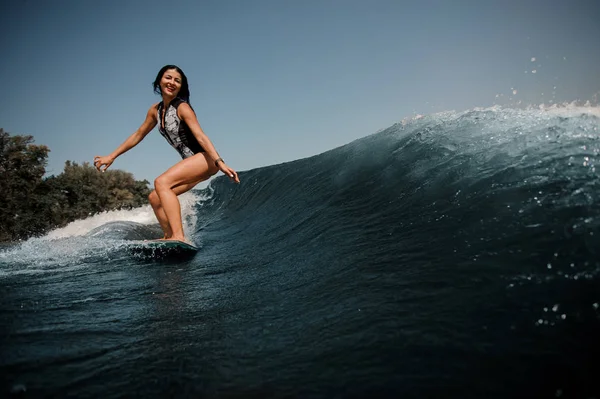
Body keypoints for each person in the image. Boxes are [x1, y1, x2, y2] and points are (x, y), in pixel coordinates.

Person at [94, 65, 240, 243]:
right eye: (168, 78)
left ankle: (178, 236)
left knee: (161, 182)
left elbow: (201, 136)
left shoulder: (182, 107)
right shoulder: (155, 111)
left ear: (181, 87)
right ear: (159, 81)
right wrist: (112, 156)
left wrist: (219, 162)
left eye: (177, 81)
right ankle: (169, 236)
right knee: (155, 197)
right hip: (194, 162)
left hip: (205, 158)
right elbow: (138, 135)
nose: (172, 82)